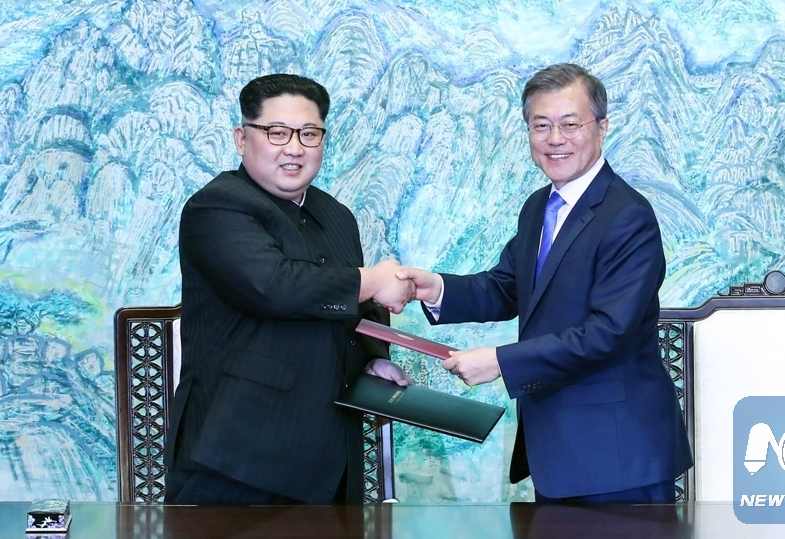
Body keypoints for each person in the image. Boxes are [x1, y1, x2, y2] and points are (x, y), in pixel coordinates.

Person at [398, 63, 693, 504]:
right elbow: (508, 286)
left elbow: (608, 332)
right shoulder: (539, 205)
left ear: (602, 127)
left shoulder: (628, 216)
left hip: (617, 456)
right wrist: (436, 288)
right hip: (556, 451)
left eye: (570, 124)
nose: (555, 139)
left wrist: (500, 362)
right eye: (541, 126)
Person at [164, 73, 414, 505]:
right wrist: (374, 278)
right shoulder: (218, 205)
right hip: (238, 455)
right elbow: (275, 286)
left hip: (329, 454)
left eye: (309, 134)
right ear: (242, 138)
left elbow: (356, 306)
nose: (295, 148)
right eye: (277, 132)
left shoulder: (335, 214)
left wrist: (373, 359)